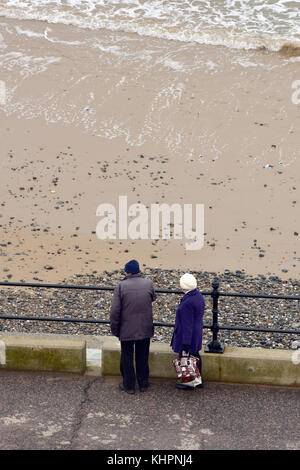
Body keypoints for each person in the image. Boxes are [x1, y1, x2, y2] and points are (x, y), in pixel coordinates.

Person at [110, 259, 156, 394]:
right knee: (142, 355)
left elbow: (115, 311)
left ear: (127, 272)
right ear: (138, 271)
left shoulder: (120, 286)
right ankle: (143, 383)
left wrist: (115, 329)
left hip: (126, 328)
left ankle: (129, 385)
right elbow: (153, 297)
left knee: (127, 356)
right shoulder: (148, 283)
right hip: (145, 327)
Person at [171, 273, 205, 390]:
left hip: (188, 334)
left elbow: (187, 325)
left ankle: (189, 382)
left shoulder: (187, 303)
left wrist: (185, 343)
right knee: (195, 355)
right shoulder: (198, 296)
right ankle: (198, 379)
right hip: (196, 331)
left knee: (186, 357)